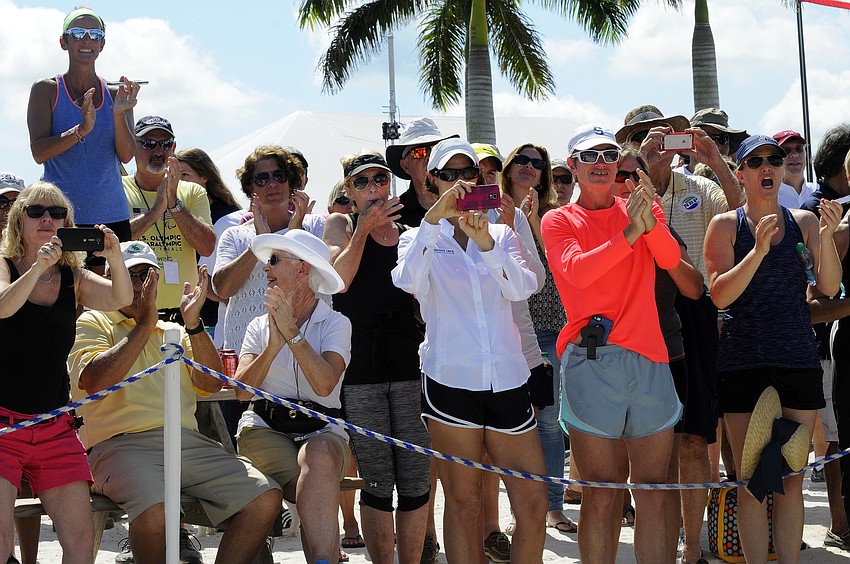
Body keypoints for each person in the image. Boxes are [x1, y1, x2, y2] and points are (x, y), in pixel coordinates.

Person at [68, 240, 282, 564]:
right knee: (157, 510)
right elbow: (95, 382)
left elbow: (210, 383)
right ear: (112, 280)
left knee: (265, 498)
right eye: (130, 276)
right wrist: (144, 323)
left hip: (186, 444)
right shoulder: (92, 322)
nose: (138, 285)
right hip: (119, 446)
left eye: (146, 276)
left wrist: (194, 324)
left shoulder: (174, 330)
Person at [392, 138, 547, 563]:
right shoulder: (416, 237)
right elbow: (407, 281)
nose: (460, 185)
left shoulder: (500, 233)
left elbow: (523, 287)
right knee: (464, 505)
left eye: (468, 175)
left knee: (533, 505)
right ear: (432, 181)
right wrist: (432, 221)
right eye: (449, 176)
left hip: (509, 380)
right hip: (450, 380)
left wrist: (485, 244)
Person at [541, 124, 682, 564]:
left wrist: (648, 223)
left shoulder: (638, 206)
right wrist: (630, 234)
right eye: (590, 157)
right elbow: (579, 273)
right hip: (592, 361)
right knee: (601, 494)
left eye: (608, 156)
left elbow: (672, 260)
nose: (601, 164)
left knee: (653, 493)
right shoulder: (558, 219)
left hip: (648, 358)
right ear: (573, 168)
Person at [703, 135, 842, 562]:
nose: (768, 166)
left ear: (782, 170)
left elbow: (829, 287)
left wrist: (828, 236)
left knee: (793, 478)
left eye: (775, 160)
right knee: (751, 480)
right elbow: (720, 295)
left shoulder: (802, 222)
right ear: (741, 173)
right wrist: (759, 251)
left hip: (797, 359)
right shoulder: (726, 225)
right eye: (757, 161)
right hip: (744, 362)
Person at [0, 182, 133, 564]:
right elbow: (4, 307)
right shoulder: (4, 264)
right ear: (18, 221)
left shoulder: (72, 276)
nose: (47, 218)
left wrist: (115, 256)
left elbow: (120, 299)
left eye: (57, 213)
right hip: (3, 425)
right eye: (37, 211)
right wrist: (38, 266)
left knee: (80, 542)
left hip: (54, 425)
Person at [324, 151, 432, 564]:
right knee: (377, 475)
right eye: (363, 182)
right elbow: (339, 282)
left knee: (415, 474)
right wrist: (363, 231)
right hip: (361, 370)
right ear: (349, 191)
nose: (373, 189)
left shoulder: (411, 231)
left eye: (379, 180)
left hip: (409, 364)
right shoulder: (341, 225)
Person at [234, 230, 352, 564]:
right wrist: (273, 345)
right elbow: (241, 392)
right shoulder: (258, 326)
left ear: (302, 270)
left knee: (319, 456)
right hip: (264, 427)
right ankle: (326, 556)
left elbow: (325, 385)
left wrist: (293, 334)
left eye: (273, 261)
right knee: (315, 485)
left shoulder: (337, 323)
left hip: (322, 430)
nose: (264, 269)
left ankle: (322, 556)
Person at [499, 144, 575, 537]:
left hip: (547, 328)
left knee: (547, 423)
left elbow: (559, 268)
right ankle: (522, 510)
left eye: (537, 164)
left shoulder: (555, 215)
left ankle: (554, 507)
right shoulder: (488, 210)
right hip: (500, 333)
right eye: (521, 161)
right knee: (515, 425)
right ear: (508, 169)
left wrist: (530, 227)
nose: (529, 168)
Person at [27, 7, 139, 246]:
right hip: (60, 217)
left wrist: (119, 114)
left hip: (113, 216)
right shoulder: (46, 90)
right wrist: (80, 130)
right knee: (64, 284)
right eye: (78, 33)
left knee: (113, 284)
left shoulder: (116, 94)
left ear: (102, 43)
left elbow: (127, 156)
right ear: (63, 42)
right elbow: (39, 152)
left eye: (94, 34)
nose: (87, 40)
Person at [213, 145, 322, 359]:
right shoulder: (234, 235)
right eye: (262, 179)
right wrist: (259, 244)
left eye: (279, 176)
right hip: (250, 351)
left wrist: (295, 233)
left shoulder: (315, 226)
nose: (272, 184)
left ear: (290, 182)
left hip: (307, 345)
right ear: (250, 188)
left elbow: (319, 281)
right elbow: (222, 289)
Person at [124, 116, 215, 323]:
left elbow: (207, 246)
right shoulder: (116, 190)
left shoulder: (193, 191)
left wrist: (173, 203)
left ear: (173, 148)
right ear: (133, 147)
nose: (158, 151)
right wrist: (156, 210)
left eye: (165, 144)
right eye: (148, 143)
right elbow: (114, 242)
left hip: (183, 315)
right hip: (132, 315)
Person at [385, 118, 457, 228]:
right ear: (405, 166)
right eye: (419, 152)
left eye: (434, 150)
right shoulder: (394, 215)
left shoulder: (465, 201)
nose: (429, 157)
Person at [774, 130, 816, 209]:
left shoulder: (816, 191)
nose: (794, 155)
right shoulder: (770, 198)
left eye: (799, 149)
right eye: (786, 151)